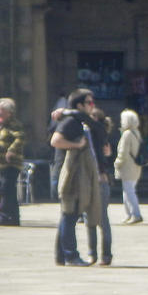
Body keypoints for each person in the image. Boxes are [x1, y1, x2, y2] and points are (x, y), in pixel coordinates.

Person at [50, 89, 100, 266]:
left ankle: (61, 256)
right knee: (69, 215)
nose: (92, 105)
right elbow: (55, 141)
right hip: (68, 175)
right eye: (89, 102)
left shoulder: (76, 120)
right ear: (79, 105)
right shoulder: (71, 121)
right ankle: (71, 255)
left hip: (72, 174)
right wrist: (77, 145)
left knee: (68, 215)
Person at [0, 98, 25, 226]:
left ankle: (4, 215)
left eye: (1, 110)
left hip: (12, 162)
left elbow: (20, 138)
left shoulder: (14, 124)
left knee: (6, 188)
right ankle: (14, 217)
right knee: (8, 189)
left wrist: (11, 150)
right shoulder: (2, 125)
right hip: (2, 163)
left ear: (9, 112)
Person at [86, 108, 114, 265]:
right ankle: (93, 253)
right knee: (89, 218)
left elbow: (106, 157)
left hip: (101, 180)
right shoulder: (86, 136)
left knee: (102, 218)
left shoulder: (102, 137)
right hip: (89, 180)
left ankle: (106, 254)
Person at [114, 109, 144, 224]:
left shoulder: (127, 134)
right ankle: (129, 214)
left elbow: (123, 152)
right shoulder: (136, 132)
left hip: (127, 166)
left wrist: (117, 163)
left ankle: (136, 214)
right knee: (127, 190)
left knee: (129, 191)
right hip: (135, 166)